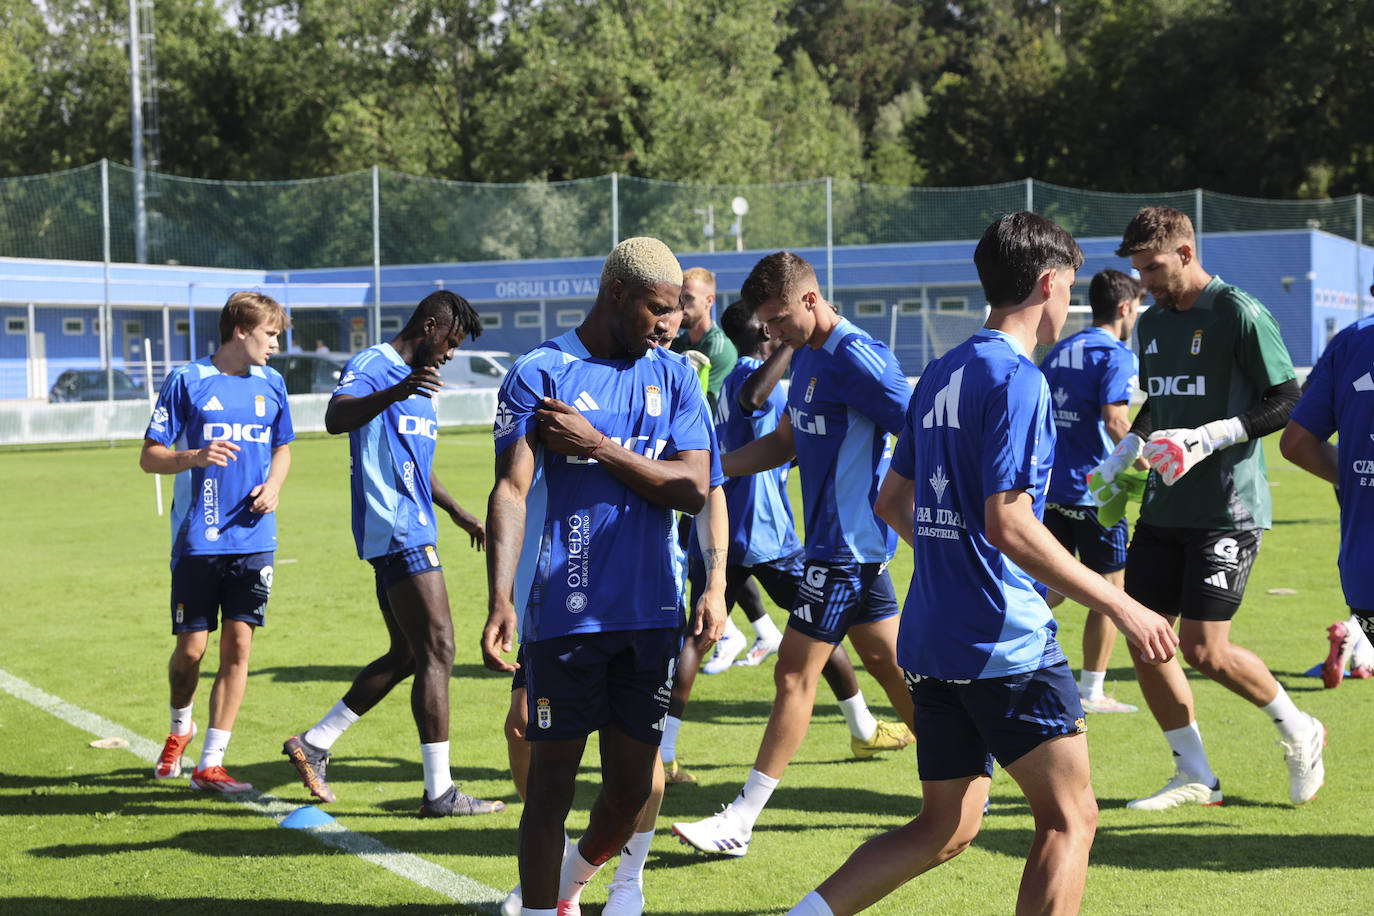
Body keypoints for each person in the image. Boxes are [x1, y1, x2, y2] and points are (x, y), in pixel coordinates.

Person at [786, 212, 1178, 916]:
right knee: (1070, 818)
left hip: (932, 639)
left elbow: (891, 500)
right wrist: (1121, 604)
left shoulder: (942, 370)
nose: (1068, 304)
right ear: (1049, 282)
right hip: (1004, 644)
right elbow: (1010, 521)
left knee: (946, 826)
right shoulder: (1017, 380)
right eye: (1068, 289)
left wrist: (953, 554)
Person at [481, 237, 726, 916]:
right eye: (656, 308)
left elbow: (693, 487)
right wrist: (500, 595)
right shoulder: (540, 372)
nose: (667, 324)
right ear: (616, 293)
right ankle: (540, 909)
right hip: (566, 615)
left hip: (651, 619)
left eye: (676, 311)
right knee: (551, 789)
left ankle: (568, 885)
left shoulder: (675, 375)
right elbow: (511, 489)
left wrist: (597, 446)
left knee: (627, 792)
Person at [672, 251, 916, 860]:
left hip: (845, 551)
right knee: (888, 661)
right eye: (764, 323)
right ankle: (968, 766)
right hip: (841, 548)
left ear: (809, 299)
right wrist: (711, 472)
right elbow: (786, 440)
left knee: (792, 674)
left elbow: (921, 431)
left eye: (776, 319)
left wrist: (907, 511)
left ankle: (740, 820)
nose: (768, 334)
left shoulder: (859, 357)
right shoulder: (804, 355)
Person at [1090, 205, 1323, 809]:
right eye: (1138, 271)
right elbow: (1158, 403)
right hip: (1163, 509)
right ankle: (1195, 773)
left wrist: (1212, 435)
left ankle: (1300, 728)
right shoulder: (1154, 322)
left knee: (1203, 650)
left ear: (1187, 254)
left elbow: (1286, 398)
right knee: (1144, 637)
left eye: (1154, 268)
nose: (1145, 283)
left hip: (1228, 510)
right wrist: (1128, 449)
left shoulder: (1237, 312)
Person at [282, 290, 499, 817]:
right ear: (429, 326)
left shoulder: (421, 386)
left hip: (415, 524)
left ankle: (315, 742)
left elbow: (415, 465)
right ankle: (439, 793)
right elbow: (336, 417)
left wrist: (455, 511)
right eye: (449, 342)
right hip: (395, 528)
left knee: (409, 654)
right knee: (440, 649)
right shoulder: (376, 366)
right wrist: (399, 389)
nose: (450, 354)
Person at [141, 291, 295, 792]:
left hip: (255, 538)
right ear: (241, 331)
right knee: (191, 651)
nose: (276, 344)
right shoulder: (188, 380)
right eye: (271, 334)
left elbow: (283, 449)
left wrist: (273, 487)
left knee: (238, 648)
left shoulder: (272, 384)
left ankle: (211, 762)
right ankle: (179, 728)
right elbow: (151, 456)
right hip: (199, 538)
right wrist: (196, 456)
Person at [1040, 269, 1145, 713]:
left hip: (1051, 488)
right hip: (1096, 495)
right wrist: (1148, 462)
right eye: (1138, 306)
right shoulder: (1117, 354)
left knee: (1051, 585)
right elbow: (1115, 420)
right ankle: (1091, 691)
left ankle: (1001, 650)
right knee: (1109, 590)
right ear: (1125, 307)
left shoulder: (1060, 348)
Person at [1281, 309, 1374, 687]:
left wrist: (1355, 474)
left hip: (1363, 569)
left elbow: (1297, 442)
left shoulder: (1353, 339)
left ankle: (1357, 644)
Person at [671, 266, 738, 413]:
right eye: (679, 298)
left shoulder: (721, 348)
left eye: (688, 298)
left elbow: (695, 406)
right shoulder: (675, 343)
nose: (681, 306)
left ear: (709, 301)